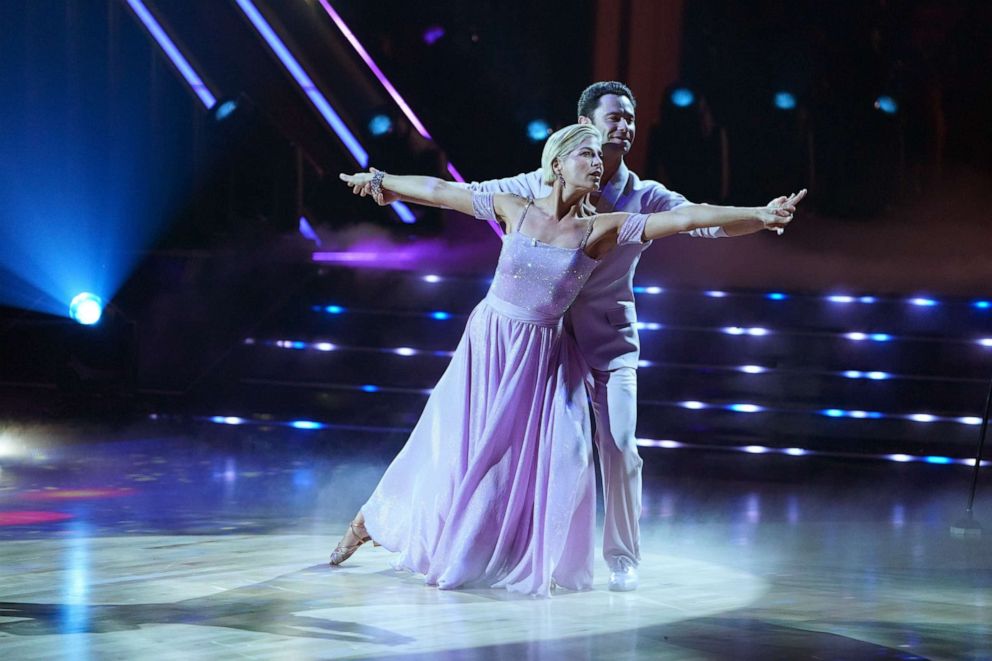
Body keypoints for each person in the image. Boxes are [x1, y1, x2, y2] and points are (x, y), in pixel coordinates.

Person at [363, 81, 806, 592]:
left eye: (631, 118)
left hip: (607, 342)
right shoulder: (536, 185)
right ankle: (506, 545)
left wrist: (758, 215)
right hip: (543, 350)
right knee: (542, 453)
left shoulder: (643, 197)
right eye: (614, 117)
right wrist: (384, 181)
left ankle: (621, 556)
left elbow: (695, 220)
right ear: (582, 128)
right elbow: (455, 193)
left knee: (619, 446)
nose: (626, 126)